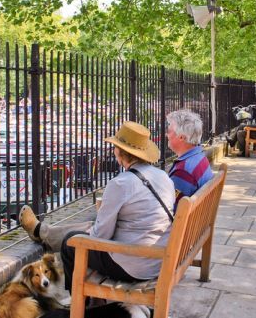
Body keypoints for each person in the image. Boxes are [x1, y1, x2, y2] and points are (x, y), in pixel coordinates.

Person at [20, 121, 175, 292]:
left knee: (70, 243)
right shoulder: (163, 176)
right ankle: (42, 232)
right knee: (86, 230)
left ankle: (79, 303)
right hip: (158, 259)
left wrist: (88, 232)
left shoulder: (120, 183)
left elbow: (101, 235)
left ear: (119, 152)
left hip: (134, 266)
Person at [165, 109, 214, 207]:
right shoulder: (199, 156)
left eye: (169, 131)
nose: (167, 134)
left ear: (181, 137)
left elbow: (170, 209)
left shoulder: (183, 172)